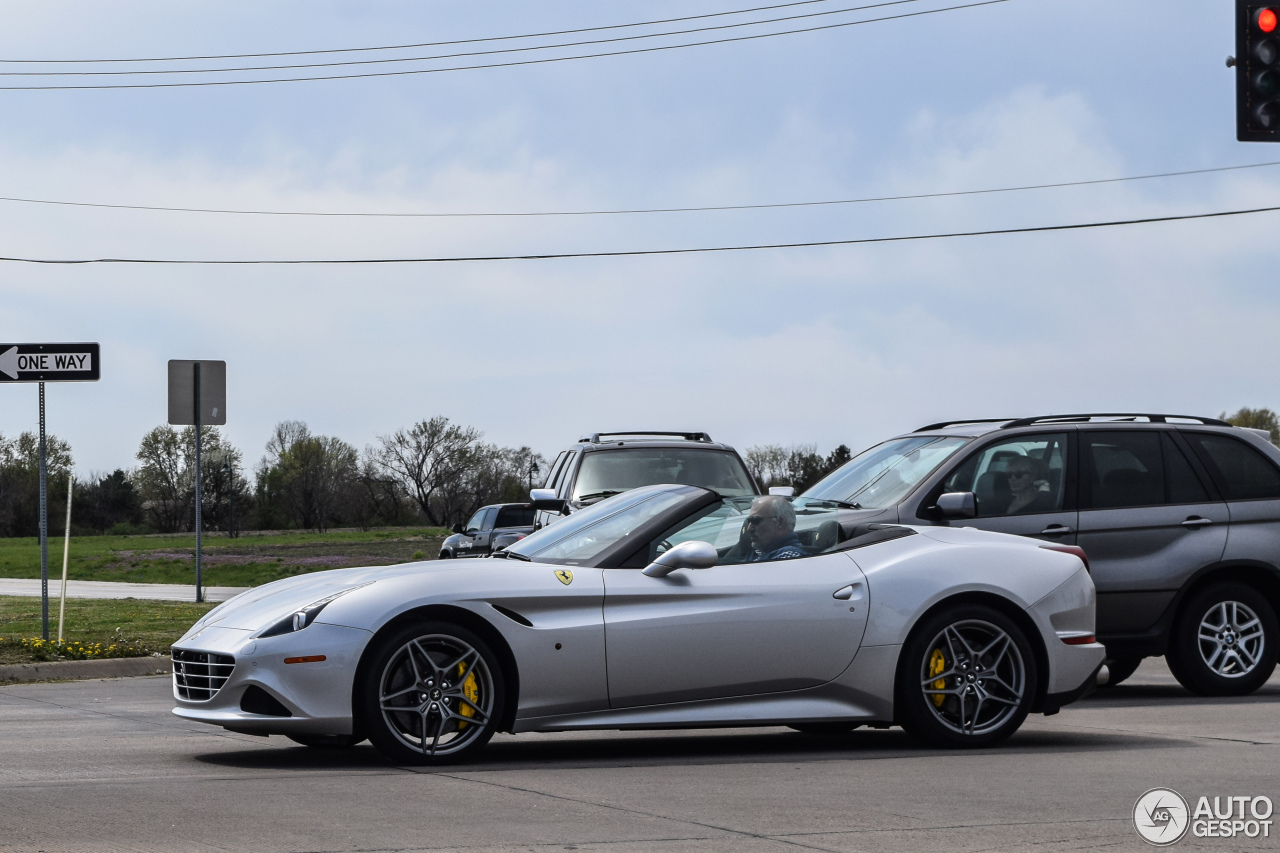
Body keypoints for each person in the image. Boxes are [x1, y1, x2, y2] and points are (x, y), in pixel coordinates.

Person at [744, 495, 807, 562]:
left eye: (755, 520)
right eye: (749, 521)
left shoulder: (789, 557)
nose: (749, 528)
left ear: (780, 522)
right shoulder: (759, 552)